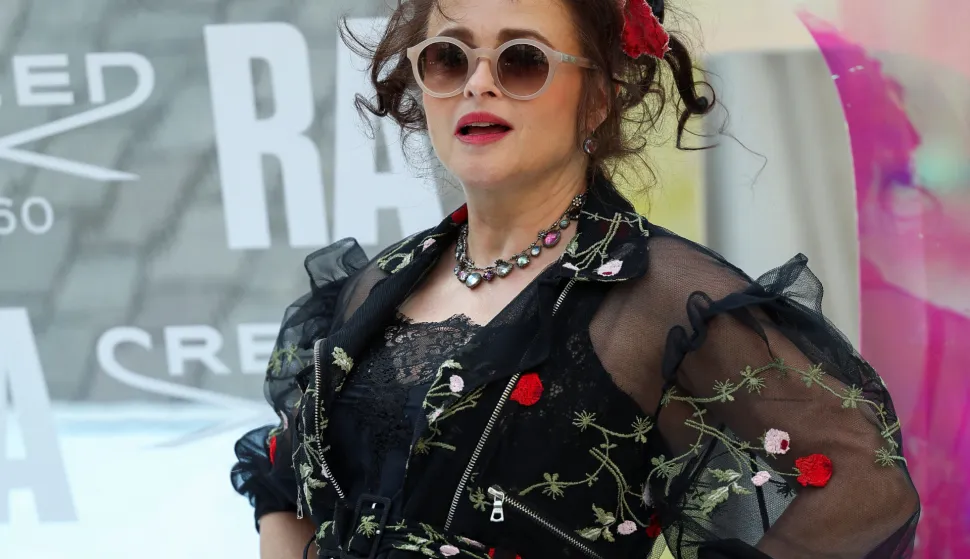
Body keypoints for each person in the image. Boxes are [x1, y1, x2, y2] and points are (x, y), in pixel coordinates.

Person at [230, 0, 921, 557]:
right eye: (448, 58)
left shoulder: (661, 302)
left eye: (522, 60)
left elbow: (863, 487)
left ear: (595, 100)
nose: (478, 82)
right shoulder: (372, 290)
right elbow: (286, 487)